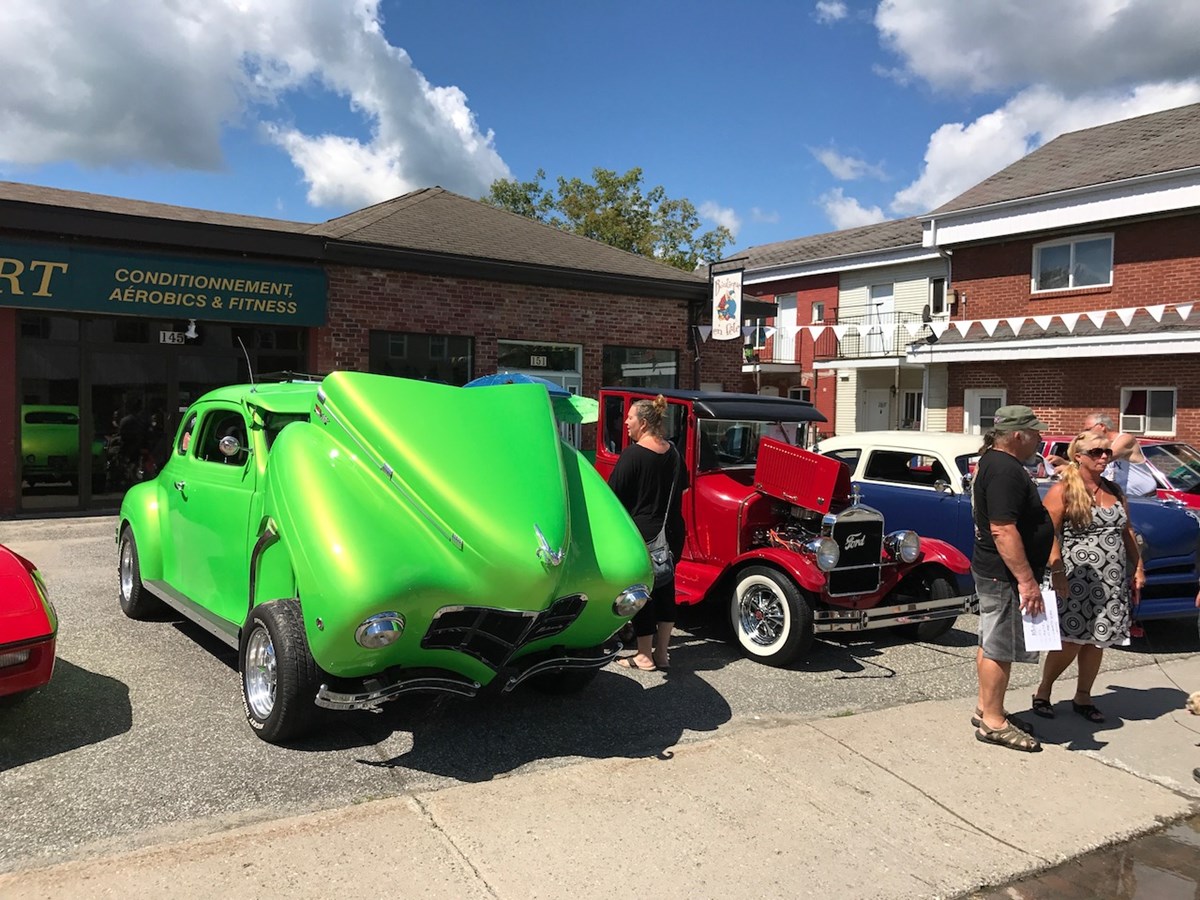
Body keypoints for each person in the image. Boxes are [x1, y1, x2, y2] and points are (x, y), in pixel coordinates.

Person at [1032, 430, 1144, 724]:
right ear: (1078, 456)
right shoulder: (1064, 490)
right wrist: (1056, 570)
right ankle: (1043, 692)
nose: (1104, 457)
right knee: (1071, 641)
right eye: (1096, 452)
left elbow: (1126, 531)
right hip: (1075, 579)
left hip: (1111, 581)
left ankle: (1083, 695)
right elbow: (1047, 533)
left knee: (1098, 640)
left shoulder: (1114, 490)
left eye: (1107, 452)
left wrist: (1138, 568)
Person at [971, 405, 1055, 752]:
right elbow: (1003, 529)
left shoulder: (995, 462)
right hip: (1004, 575)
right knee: (1000, 646)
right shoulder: (1005, 470)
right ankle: (993, 722)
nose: (1040, 438)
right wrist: (1026, 581)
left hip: (995, 572)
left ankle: (985, 707)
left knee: (990, 640)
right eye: (1035, 433)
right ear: (1018, 435)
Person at [607, 396, 687, 672]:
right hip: (672, 531)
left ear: (642, 422)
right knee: (666, 590)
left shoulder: (633, 455)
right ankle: (662, 653)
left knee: (641, 592)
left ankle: (643, 655)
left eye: (629, 418)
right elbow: (683, 490)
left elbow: (613, 498)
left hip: (643, 534)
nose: (625, 422)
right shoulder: (675, 453)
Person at [1083, 412, 1158, 497]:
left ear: (1102, 426)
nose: (1086, 434)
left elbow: (1105, 458)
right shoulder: (1098, 445)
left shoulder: (1126, 439)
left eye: (1088, 429)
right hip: (1119, 496)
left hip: (1143, 498)